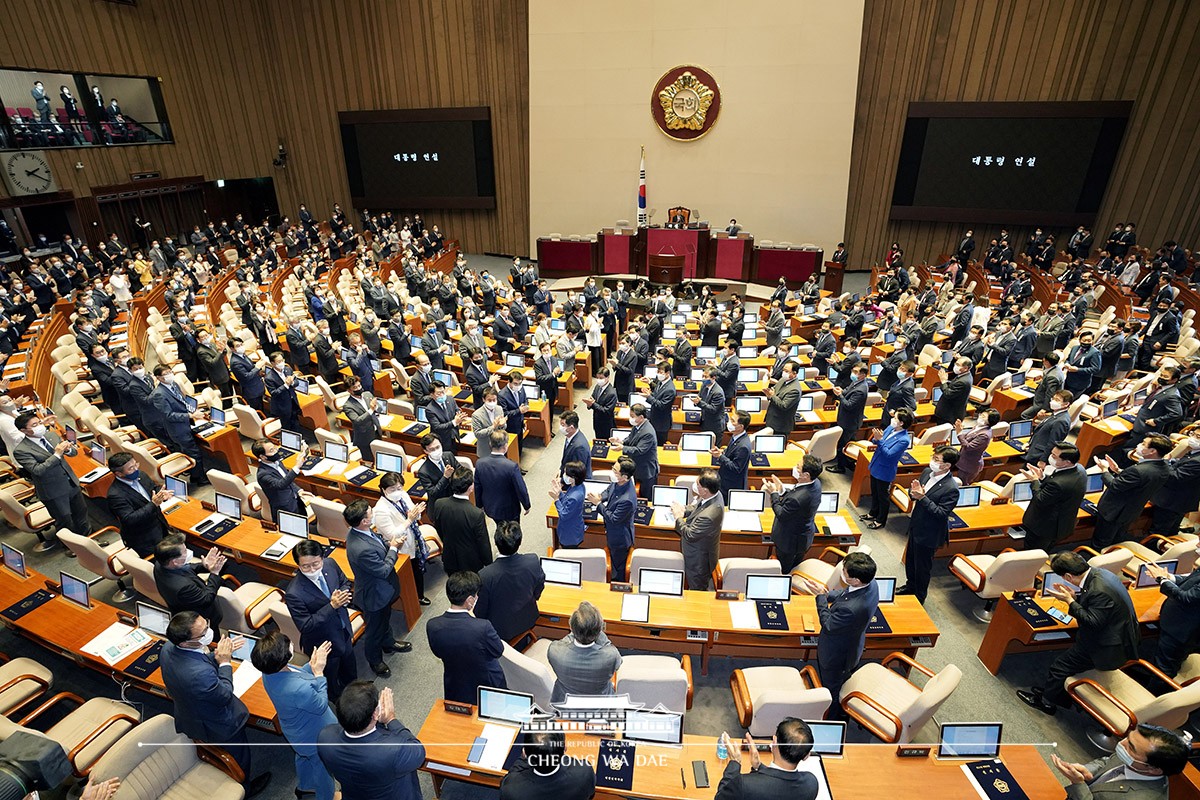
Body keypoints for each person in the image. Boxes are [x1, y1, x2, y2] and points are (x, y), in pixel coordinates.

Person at [159, 611, 271, 796]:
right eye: (204, 633)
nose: (210, 631)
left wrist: (217, 655)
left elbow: (198, 662)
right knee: (238, 760)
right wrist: (225, 662)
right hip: (219, 725)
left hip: (190, 714)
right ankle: (245, 789)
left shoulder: (168, 648)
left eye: (207, 624)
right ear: (186, 642)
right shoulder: (200, 676)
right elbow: (225, 694)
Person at [1017, 551, 1140, 716]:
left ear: (1068, 576)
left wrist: (1070, 600)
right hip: (1117, 632)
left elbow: (1092, 622)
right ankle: (1056, 691)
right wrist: (1076, 597)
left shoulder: (1099, 590)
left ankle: (1047, 702)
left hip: (1106, 646)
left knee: (1059, 667)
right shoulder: (1100, 574)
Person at [255, 633, 336, 800]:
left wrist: (311, 665)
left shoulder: (268, 673)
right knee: (323, 770)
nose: (291, 643)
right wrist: (319, 672)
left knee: (303, 758)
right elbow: (320, 705)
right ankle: (325, 796)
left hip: (296, 732)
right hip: (314, 735)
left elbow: (295, 673)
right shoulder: (298, 689)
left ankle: (305, 786)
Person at [317, 682, 425, 800]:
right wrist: (390, 720)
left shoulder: (324, 737)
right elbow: (418, 751)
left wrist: (375, 720)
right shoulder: (394, 751)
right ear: (374, 714)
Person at [799, 552, 880, 709]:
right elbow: (847, 594)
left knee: (832, 689)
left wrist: (821, 597)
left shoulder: (851, 609)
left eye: (844, 571)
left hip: (836, 655)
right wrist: (827, 593)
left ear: (856, 580)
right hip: (851, 641)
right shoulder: (870, 583)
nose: (841, 572)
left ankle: (832, 716)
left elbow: (828, 624)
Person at [344, 499, 412, 678]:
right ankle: (375, 661)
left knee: (384, 620)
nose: (372, 512)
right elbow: (383, 570)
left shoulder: (361, 532)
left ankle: (388, 643)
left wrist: (388, 545)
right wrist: (394, 549)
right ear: (364, 521)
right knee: (373, 631)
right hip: (374, 595)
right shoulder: (361, 548)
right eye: (369, 512)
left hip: (383, 591)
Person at [284, 539, 358, 699]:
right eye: (305, 566)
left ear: (322, 558)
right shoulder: (294, 593)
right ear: (298, 565)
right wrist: (332, 606)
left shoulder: (330, 564)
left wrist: (343, 593)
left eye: (316, 564)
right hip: (323, 644)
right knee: (330, 681)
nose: (312, 569)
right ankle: (339, 702)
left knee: (350, 667)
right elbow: (306, 625)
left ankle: (356, 692)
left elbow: (344, 581)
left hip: (344, 629)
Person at [426, 571, 507, 703]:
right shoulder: (483, 627)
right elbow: (498, 651)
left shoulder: (432, 625)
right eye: (476, 595)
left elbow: (438, 652)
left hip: (455, 683)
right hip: (487, 683)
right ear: (470, 600)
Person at [12, 411, 91, 541]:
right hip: (53, 491)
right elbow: (37, 470)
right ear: (24, 430)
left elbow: (73, 453)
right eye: (34, 425)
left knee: (81, 513)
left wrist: (68, 450)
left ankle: (89, 539)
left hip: (71, 482)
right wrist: (57, 454)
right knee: (64, 520)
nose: (39, 426)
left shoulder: (51, 436)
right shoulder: (21, 450)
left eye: (39, 422)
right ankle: (70, 546)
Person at [1051, 724, 1187, 800]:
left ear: (1153, 769)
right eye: (1127, 738)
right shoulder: (1136, 760)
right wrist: (1087, 771)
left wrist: (1079, 785)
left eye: (1131, 747)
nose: (1122, 744)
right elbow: (1106, 762)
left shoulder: (1144, 797)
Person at [899, 446, 960, 604]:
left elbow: (941, 513)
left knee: (922, 568)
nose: (933, 461)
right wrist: (913, 493)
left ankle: (919, 597)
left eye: (937, 460)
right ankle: (910, 586)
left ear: (947, 466)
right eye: (934, 457)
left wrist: (922, 497)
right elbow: (916, 492)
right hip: (916, 525)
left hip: (929, 533)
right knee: (911, 561)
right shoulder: (927, 472)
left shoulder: (951, 489)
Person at [1091, 435, 1172, 548]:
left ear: (1152, 451)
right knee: (1117, 539)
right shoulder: (1164, 467)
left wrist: (1105, 470)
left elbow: (1114, 486)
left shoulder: (1138, 470)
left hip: (1114, 511)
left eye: (1143, 444)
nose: (1139, 445)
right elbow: (1140, 481)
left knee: (1102, 540)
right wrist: (1118, 470)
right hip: (1131, 511)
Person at [476, 521, 546, 643]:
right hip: (527, 618)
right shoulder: (533, 561)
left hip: (500, 630)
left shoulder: (485, 575)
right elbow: (539, 588)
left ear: (496, 543)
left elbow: (480, 611)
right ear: (520, 541)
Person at [715, 720, 819, 800]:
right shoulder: (811, 784)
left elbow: (720, 797)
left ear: (774, 742)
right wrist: (758, 767)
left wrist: (734, 763)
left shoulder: (743, 784)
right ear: (806, 756)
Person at [372, 472, 430, 605]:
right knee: (411, 572)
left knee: (417, 568)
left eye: (399, 488)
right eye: (392, 489)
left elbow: (414, 514)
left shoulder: (403, 495)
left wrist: (416, 514)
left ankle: (419, 593)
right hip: (401, 546)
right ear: (383, 490)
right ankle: (417, 597)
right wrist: (409, 520)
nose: (397, 492)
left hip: (414, 537)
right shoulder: (381, 510)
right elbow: (392, 534)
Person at [546, 601, 622, 702]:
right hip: (599, 708)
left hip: (564, 707)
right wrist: (596, 631)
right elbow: (617, 662)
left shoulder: (554, 651)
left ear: (572, 628)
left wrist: (579, 630)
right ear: (599, 630)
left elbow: (566, 641)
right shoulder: (611, 656)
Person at [1018, 443, 1087, 553]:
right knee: (1046, 549)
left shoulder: (1058, 484)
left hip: (1044, 527)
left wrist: (1035, 480)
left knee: (1033, 553)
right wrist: (1042, 478)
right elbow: (1059, 489)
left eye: (1054, 456)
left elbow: (1040, 499)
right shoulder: (1080, 469)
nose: (1050, 457)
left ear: (1067, 462)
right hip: (1062, 523)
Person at [154, 535, 227, 636]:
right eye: (184, 551)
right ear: (174, 561)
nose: (188, 552)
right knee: (212, 640)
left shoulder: (161, 564)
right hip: (200, 620)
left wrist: (205, 566)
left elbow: (186, 568)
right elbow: (206, 598)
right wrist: (214, 574)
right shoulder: (183, 587)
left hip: (182, 606)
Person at [762, 455, 824, 573]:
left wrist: (774, 493)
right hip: (802, 536)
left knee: (784, 569)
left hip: (789, 541)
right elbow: (796, 496)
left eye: (798, 467)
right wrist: (782, 490)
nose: (795, 468)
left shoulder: (798, 499)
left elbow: (781, 514)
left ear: (806, 475)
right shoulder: (816, 483)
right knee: (795, 563)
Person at [430, 465, 494, 573]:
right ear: (471, 488)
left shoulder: (439, 504)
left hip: (449, 559)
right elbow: (483, 544)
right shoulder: (476, 514)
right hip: (471, 563)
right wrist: (489, 564)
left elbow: (439, 530)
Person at [105, 452, 170, 556]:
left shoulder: (141, 475)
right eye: (131, 468)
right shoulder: (115, 495)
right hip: (144, 538)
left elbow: (152, 488)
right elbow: (129, 519)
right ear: (119, 474)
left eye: (136, 464)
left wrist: (162, 494)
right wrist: (153, 504)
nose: (136, 469)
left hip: (159, 524)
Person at [499, 730, 596, 800]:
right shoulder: (584, 773)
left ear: (525, 753)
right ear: (565, 748)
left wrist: (523, 758)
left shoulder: (510, 789)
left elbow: (511, 776)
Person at [669, 470, 725, 591]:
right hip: (701, 548)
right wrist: (684, 509)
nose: (695, 485)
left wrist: (678, 516)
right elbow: (698, 507)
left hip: (699, 559)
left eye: (698, 484)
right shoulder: (714, 494)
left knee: (697, 588)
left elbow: (689, 534)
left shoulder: (709, 516)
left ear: (705, 490)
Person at [586, 457, 637, 581]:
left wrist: (598, 504)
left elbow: (613, 519)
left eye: (615, 471)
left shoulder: (628, 499)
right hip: (613, 532)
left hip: (619, 538)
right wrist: (601, 497)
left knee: (618, 567)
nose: (612, 472)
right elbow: (609, 490)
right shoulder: (619, 482)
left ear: (624, 477)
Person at [862, 409, 914, 529]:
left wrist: (880, 440)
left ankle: (880, 520)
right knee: (874, 492)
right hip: (876, 464)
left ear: (901, 423)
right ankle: (872, 513)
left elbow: (889, 454)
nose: (893, 419)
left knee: (882, 497)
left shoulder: (904, 440)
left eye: (895, 418)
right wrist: (876, 438)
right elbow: (879, 440)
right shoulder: (890, 428)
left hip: (885, 470)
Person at [474, 430, 531, 527]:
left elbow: (477, 487)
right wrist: (527, 505)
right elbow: (521, 489)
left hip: (491, 508)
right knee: (512, 533)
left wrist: (479, 505)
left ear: (490, 444)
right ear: (505, 446)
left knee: (499, 527)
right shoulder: (511, 466)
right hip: (510, 510)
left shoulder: (479, 463)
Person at [1148, 434, 1200, 536]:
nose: (1193, 438)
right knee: (1171, 529)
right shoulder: (1192, 452)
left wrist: (1166, 462)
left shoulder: (1197, 461)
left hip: (1173, 500)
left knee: (1159, 531)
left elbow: (1175, 477)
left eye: (1198, 436)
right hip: (1178, 499)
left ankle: (1153, 548)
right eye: (1193, 434)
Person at [252, 438, 308, 522]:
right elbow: (281, 484)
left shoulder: (277, 462)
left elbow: (286, 478)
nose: (276, 451)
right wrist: (297, 467)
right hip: (285, 510)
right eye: (271, 450)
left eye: (274, 448)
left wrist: (298, 490)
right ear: (263, 457)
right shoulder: (263, 475)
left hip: (296, 501)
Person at [611, 403, 658, 499]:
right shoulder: (638, 425)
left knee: (645, 497)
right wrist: (621, 441)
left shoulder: (648, 432)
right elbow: (631, 438)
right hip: (637, 466)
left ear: (641, 417)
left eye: (632, 416)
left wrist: (622, 448)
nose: (630, 418)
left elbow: (639, 450)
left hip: (646, 470)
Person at [829, 363, 869, 473]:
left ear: (863, 375)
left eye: (856, 372)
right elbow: (847, 391)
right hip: (849, 420)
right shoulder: (856, 382)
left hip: (849, 422)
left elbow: (849, 405)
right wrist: (841, 391)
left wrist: (839, 395)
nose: (853, 374)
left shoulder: (861, 390)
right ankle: (848, 463)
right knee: (848, 442)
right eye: (853, 371)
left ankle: (840, 467)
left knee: (842, 444)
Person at [1025, 390, 1073, 465]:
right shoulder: (1056, 413)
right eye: (1053, 398)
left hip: (1039, 456)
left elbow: (1053, 443)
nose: (1053, 401)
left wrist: (1043, 460)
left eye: (1057, 400)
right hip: (1034, 449)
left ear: (1066, 404)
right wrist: (1030, 443)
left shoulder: (1061, 421)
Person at [342, 375, 384, 458]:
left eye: (359, 386)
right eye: (355, 387)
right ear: (349, 391)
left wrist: (377, 407)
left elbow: (379, 408)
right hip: (365, 437)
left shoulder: (367, 394)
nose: (358, 389)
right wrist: (371, 410)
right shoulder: (348, 406)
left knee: (380, 456)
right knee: (370, 461)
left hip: (376, 431)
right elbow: (357, 421)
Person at [713, 410, 752, 499]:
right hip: (725, 481)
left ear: (741, 426)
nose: (729, 422)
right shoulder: (736, 436)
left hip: (732, 485)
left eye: (733, 421)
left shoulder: (744, 446)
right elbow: (732, 453)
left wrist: (720, 456)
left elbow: (736, 468)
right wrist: (721, 452)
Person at [550, 461, 588, 549]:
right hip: (573, 525)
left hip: (570, 533)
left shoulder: (575, 496)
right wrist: (559, 492)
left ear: (573, 478)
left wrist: (556, 499)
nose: (564, 475)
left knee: (569, 553)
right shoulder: (578, 486)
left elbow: (563, 514)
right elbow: (567, 499)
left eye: (566, 474)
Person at [954, 409, 999, 484]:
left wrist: (959, 433)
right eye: (981, 414)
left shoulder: (984, 435)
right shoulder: (979, 427)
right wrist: (961, 431)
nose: (980, 416)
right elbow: (968, 437)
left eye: (983, 416)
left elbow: (968, 447)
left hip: (969, 465)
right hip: (964, 460)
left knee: (963, 484)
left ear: (989, 421)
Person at [265, 351, 302, 433]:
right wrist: (286, 385)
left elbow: (296, 382)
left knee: (295, 422)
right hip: (282, 406)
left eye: (282, 360)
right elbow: (274, 393)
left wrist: (292, 382)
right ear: (272, 363)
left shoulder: (288, 369)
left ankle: (298, 439)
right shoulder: (269, 378)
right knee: (287, 426)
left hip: (293, 401)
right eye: (278, 362)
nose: (281, 363)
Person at [763, 360, 801, 435]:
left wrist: (772, 396)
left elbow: (784, 406)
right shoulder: (783, 379)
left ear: (794, 373)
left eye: (786, 371)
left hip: (781, 425)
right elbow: (774, 390)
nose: (784, 372)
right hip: (771, 418)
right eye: (783, 370)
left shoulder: (795, 390)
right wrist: (769, 394)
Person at [933, 357, 973, 425]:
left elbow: (948, 394)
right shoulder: (966, 375)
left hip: (949, 414)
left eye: (958, 364)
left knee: (944, 433)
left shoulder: (963, 381)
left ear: (966, 368)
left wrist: (944, 381)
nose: (955, 366)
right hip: (952, 410)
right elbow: (954, 386)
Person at [471, 387, 508, 458]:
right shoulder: (476, 415)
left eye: (494, 400)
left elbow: (502, 428)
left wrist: (502, 425)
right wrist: (493, 427)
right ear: (483, 399)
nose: (492, 402)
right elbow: (478, 434)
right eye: (489, 400)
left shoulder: (499, 409)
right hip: (485, 450)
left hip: (499, 447)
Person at [645, 361, 676, 445]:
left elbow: (661, 405)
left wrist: (649, 397)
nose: (658, 374)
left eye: (661, 372)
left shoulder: (670, 389)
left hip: (661, 424)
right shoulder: (660, 382)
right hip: (654, 419)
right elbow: (656, 394)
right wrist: (649, 394)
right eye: (658, 372)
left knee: (658, 445)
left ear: (668, 373)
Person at [696, 364, 728, 436]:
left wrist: (699, 402)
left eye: (706, 377)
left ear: (713, 378)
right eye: (703, 376)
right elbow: (700, 398)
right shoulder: (704, 386)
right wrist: (696, 401)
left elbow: (713, 409)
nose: (703, 379)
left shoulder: (718, 392)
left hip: (715, 426)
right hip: (705, 422)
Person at [559, 411, 592, 477]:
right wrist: (561, 471)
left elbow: (577, 473)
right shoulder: (570, 436)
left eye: (563, 425)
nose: (560, 427)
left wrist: (562, 481)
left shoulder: (580, 447)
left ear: (571, 428)